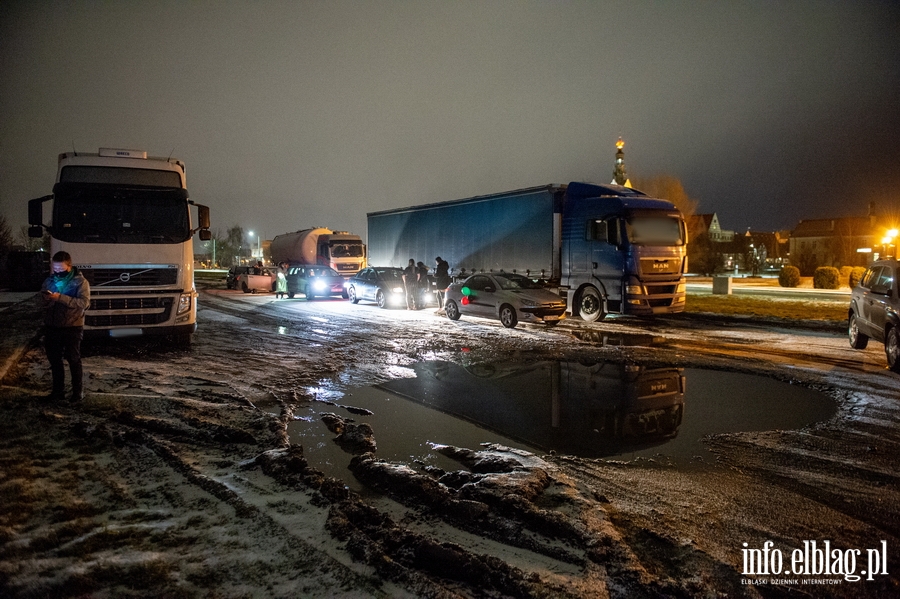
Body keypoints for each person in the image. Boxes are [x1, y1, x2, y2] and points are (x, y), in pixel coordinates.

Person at [40, 251, 91, 402]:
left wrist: (60, 298)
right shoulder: (49, 280)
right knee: (54, 360)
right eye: (55, 269)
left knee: (73, 360)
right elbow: (40, 302)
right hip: (52, 326)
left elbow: (84, 303)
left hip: (72, 326)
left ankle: (77, 394)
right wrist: (46, 299)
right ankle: (58, 393)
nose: (57, 272)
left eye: (61, 269)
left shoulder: (80, 282)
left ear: (69, 266)